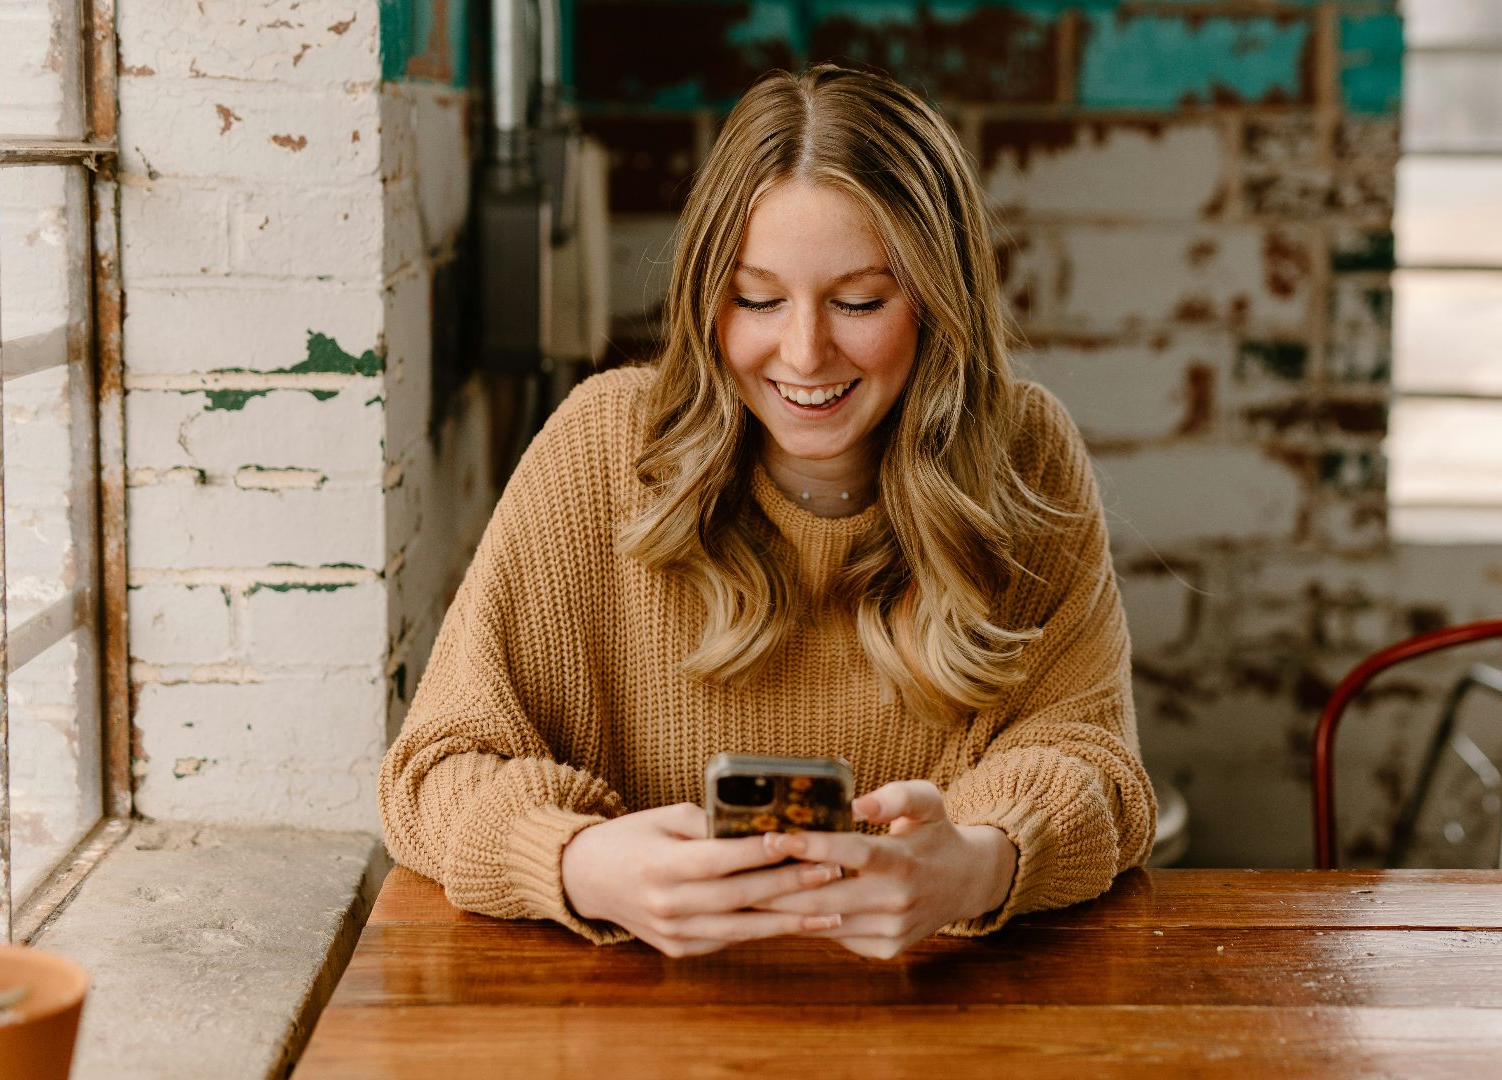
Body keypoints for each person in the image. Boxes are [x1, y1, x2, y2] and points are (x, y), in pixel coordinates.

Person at [378, 64, 1154, 959]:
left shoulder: (1026, 454)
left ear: (941, 307)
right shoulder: (598, 449)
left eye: (861, 301)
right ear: (708, 296)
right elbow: (433, 773)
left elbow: (1100, 769)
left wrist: (977, 867)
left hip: (935, 1024)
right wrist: (582, 864)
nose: (804, 352)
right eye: (757, 299)